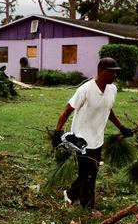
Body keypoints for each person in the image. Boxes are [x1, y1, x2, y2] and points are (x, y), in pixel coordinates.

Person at [51, 57, 133, 211]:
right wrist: (57, 133)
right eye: (111, 72)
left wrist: (121, 127)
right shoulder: (85, 89)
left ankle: (72, 195)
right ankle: (87, 205)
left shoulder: (112, 89)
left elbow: (107, 109)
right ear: (101, 71)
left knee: (89, 173)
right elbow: (67, 111)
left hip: (97, 139)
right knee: (90, 173)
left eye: (116, 73)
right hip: (81, 140)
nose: (115, 76)